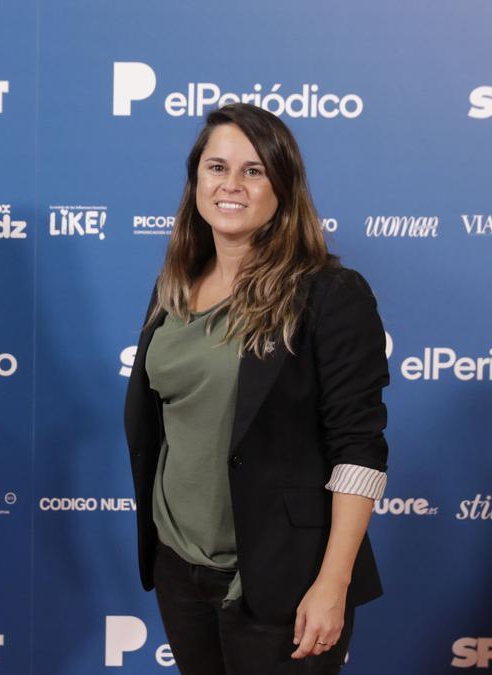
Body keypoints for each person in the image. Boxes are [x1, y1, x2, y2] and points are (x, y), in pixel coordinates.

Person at [123, 103, 388, 674]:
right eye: (217, 167)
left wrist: (332, 583)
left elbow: (359, 451)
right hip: (179, 568)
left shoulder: (329, 294)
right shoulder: (175, 287)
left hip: (282, 578)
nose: (231, 185)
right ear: (196, 179)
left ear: (283, 187)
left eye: (253, 170)